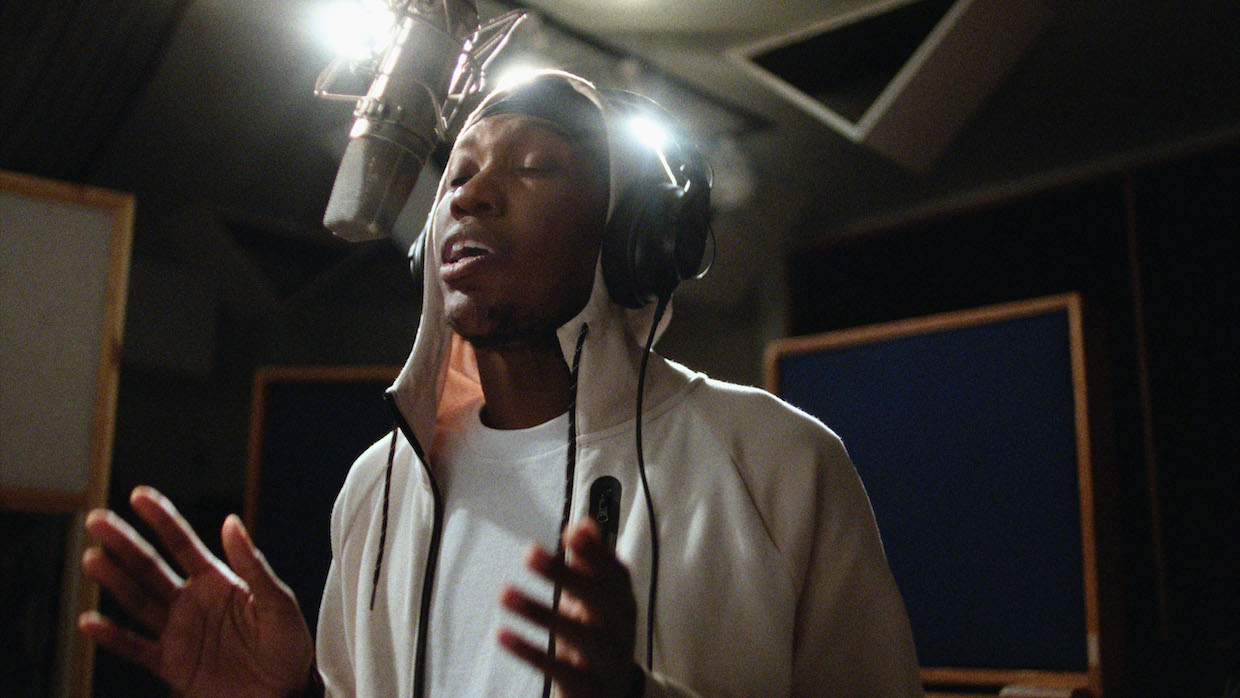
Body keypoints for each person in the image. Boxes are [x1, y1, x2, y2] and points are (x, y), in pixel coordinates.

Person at [80, 70, 923, 696]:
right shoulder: (377, 487)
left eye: (533, 167)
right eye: (459, 175)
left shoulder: (778, 462)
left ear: (628, 238)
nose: (472, 194)